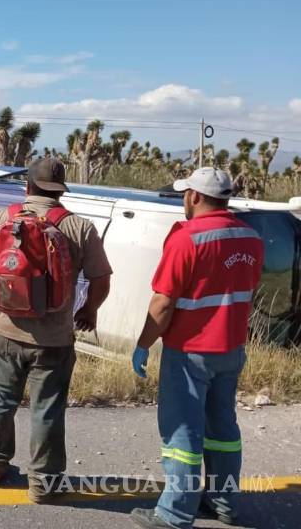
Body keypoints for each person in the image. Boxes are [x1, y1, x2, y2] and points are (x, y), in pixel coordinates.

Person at [0, 157, 112, 502]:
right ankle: (44, 484)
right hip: (53, 340)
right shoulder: (79, 227)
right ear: (61, 190)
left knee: (1, 402)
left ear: (28, 186)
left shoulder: (2, 217)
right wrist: (89, 310)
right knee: (46, 408)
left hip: (6, 330)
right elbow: (101, 278)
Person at [129, 168, 264, 529]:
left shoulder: (187, 238)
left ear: (194, 197)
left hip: (190, 352)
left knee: (181, 433)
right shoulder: (251, 237)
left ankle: (174, 514)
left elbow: (162, 304)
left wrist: (143, 344)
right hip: (232, 350)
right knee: (222, 428)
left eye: (184, 195)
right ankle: (223, 502)